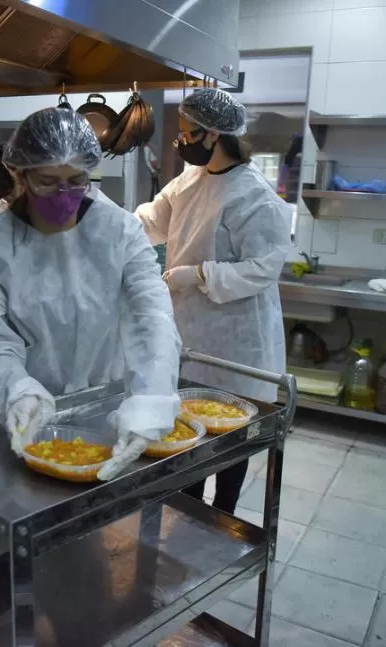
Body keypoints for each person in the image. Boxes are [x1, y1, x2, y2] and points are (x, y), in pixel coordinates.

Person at [0, 107, 181, 482]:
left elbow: (150, 318)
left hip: (109, 412)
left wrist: (151, 401)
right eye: (47, 180)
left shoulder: (120, 233)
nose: (64, 193)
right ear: (18, 174)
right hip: (27, 422)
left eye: (76, 179)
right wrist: (17, 390)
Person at [135, 88, 293, 514]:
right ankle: (186, 512)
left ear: (212, 135)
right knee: (190, 426)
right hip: (193, 330)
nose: (181, 142)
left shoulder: (254, 196)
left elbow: (263, 268)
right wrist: (103, 225)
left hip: (238, 336)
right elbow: (152, 220)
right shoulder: (189, 181)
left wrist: (200, 274)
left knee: (230, 435)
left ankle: (222, 516)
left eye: (186, 134)